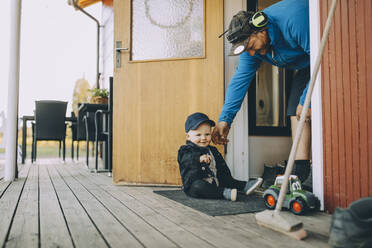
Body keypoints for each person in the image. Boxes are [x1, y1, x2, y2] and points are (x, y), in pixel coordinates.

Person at [212, 0, 311, 185]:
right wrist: (225, 119)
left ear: (260, 29)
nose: (250, 54)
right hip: (308, 64)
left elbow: (324, 54)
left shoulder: (294, 18)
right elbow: (239, 81)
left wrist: (308, 101)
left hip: (327, 55)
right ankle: (301, 171)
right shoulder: (254, 49)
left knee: (305, 105)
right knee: (295, 109)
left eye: (250, 46)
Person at [177, 112, 263, 201]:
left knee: (229, 181)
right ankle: (224, 193)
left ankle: (244, 186)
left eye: (207, 134)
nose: (203, 138)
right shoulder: (185, 150)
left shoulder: (212, 150)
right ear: (188, 136)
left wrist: (227, 178)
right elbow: (185, 160)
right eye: (198, 135)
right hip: (195, 185)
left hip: (216, 181)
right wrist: (198, 158)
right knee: (198, 186)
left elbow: (222, 169)